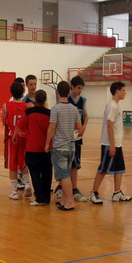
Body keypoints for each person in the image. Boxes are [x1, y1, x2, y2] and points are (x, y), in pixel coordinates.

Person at [89, 81, 132, 205]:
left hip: (117, 143)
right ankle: (93, 192)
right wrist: (112, 145)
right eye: (123, 90)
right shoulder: (112, 106)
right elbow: (109, 125)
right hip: (110, 144)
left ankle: (117, 192)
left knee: (119, 169)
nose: (125, 92)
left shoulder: (117, 105)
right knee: (103, 169)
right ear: (117, 91)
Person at [45, 81, 82, 211]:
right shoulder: (74, 108)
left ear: (57, 93)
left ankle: (70, 202)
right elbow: (79, 128)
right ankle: (64, 199)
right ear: (68, 92)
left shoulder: (55, 108)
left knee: (64, 176)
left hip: (60, 146)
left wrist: (46, 143)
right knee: (66, 173)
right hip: (71, 146)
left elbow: (52, 127)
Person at [15, 89, 52, 206]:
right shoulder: (49, 113)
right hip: (46, 148)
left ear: (35, 99)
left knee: (35, 173)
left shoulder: (29, 112)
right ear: (45, 100)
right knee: (47, 173)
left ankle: (39, 198)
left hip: (32, 148)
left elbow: (20, 125)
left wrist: (15, 135)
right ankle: (46, 197)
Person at [3, 81, 31, 199]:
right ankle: (27, 184)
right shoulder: (27, 106)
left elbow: (4, 122)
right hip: (24, 137)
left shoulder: (6, 105)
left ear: (11, 92)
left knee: (12, 165)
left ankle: (14, 192)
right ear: (23, 92)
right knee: (23, 162)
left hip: (12, 138)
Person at [67, 76, 88, 202]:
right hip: (66, 137)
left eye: (82, 88)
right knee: (65, 163)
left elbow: (86, 116)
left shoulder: (83, 100)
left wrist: (83, 128)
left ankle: (74, 188)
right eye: (78, 88)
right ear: (72, 87)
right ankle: (61, 187)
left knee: (75, 164)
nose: (80, 91)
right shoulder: (66, 99)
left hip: (77, 137)